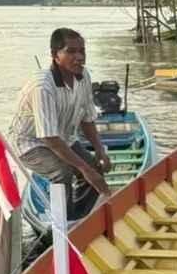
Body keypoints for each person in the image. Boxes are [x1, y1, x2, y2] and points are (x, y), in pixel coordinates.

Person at [9, 28, 110, 207]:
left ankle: (81, 216)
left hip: (63, 137)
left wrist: (100, 150)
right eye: (71, 51)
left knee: (95, 168)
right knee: (62, 172)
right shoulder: (43, 87)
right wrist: (83, 169)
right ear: (55, 55)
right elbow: (49, 138)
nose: (79, 57)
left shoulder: (84, 76)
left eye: (82, 51)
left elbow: (87, 119)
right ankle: (63, 222)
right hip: (30, 143)